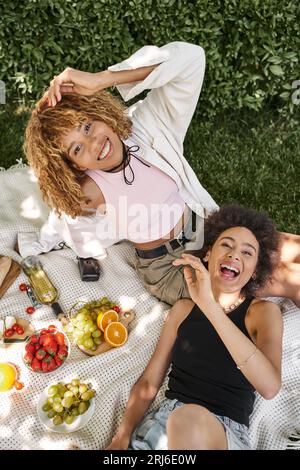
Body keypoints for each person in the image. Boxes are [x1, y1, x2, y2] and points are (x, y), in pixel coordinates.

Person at [22, 41, 300, 307]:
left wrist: (102, 79)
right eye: (77, 148)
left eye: (86, 126)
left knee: (294, 249)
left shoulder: (145, 127)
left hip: (207, 229)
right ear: (75, 165)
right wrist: (74, 252)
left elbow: (191, 59)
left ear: (98, 113)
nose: (94, 143)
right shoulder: (87, 189)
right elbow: (65, 215)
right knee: (293, 281)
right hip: (171, 266)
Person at [106, 205, 284, 450]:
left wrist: (210, 307)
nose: (234, 255)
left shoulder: (264, 313)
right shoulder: (183, 310)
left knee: (189, 420)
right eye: (226, 245)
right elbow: (148, 383)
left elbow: (270, 386)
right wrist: (121, 438)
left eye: (247, 253)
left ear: (255, 271)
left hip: (224, 435)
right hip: (162, 429)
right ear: (208, 254)